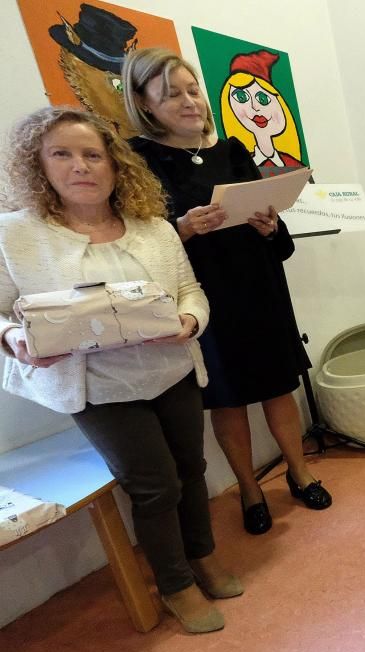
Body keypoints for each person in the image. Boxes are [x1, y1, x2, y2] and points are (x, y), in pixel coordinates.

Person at [0, 107, 241, 633]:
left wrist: (189, 320)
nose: (80, 166)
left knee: (192, 470)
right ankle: (175, 583)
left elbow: (190, 291)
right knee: (155, 487)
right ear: (38, 165)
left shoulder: (154, 227)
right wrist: (15, 337)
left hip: (168, 368)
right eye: (61, 154)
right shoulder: (15, 235)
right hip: (96, 386)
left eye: (93, 154)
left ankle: (203, 556)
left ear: (115, 164)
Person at [122, 47, 331, 535]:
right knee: (228, 399)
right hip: (204, 300)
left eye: (193, 90)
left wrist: (269, 226)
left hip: (261, 289)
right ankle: (250, 489)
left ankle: (300, 472)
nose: (190, 101)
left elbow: (281, 244)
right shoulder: (139, 161)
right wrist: (183, 228)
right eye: (171, 94)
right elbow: (136, 248)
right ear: (145, 104)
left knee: (280, 388)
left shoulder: (233, 150)